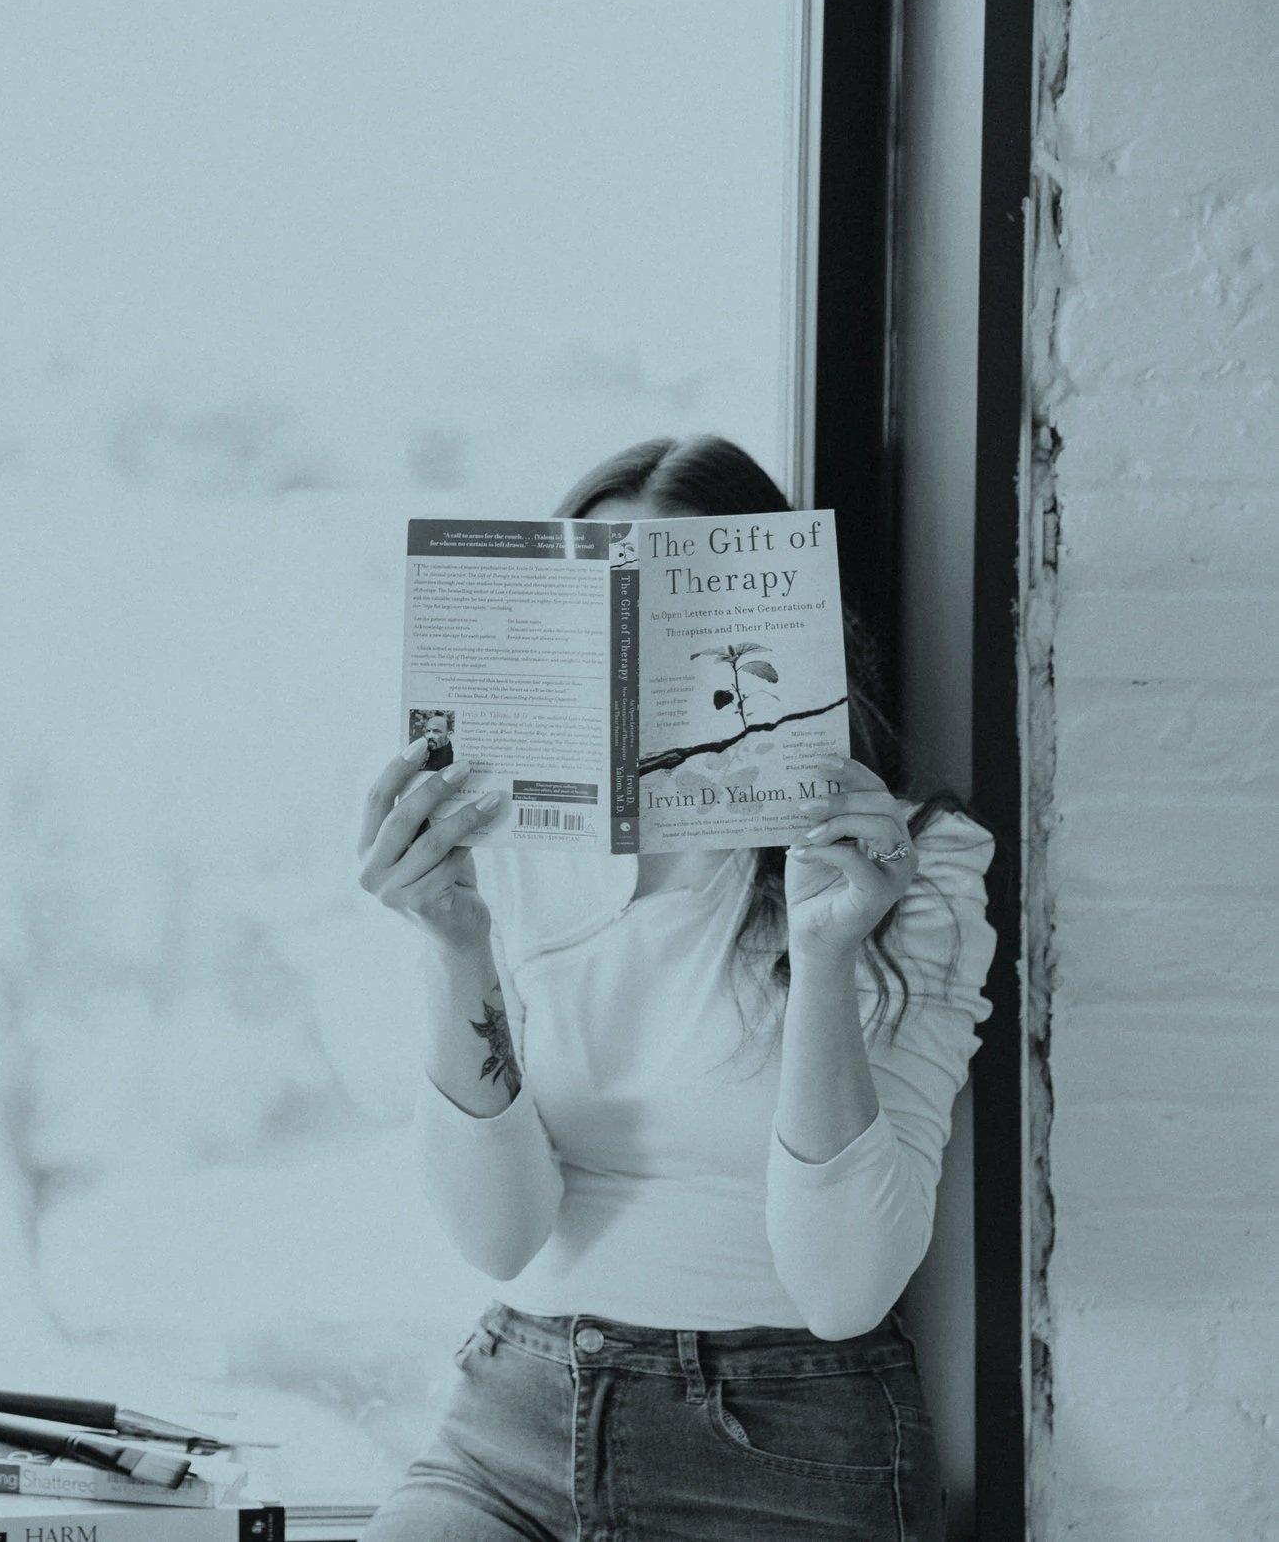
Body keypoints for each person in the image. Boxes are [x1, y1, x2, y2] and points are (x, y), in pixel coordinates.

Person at [355, 437, 993, 1541]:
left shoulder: (914, 862)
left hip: (786, 1445)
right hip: (517, 1415)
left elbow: (844, 1286)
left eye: (678, 612)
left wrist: (827, 951)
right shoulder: (506, 843)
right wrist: (453, 942)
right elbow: (498, 1235)